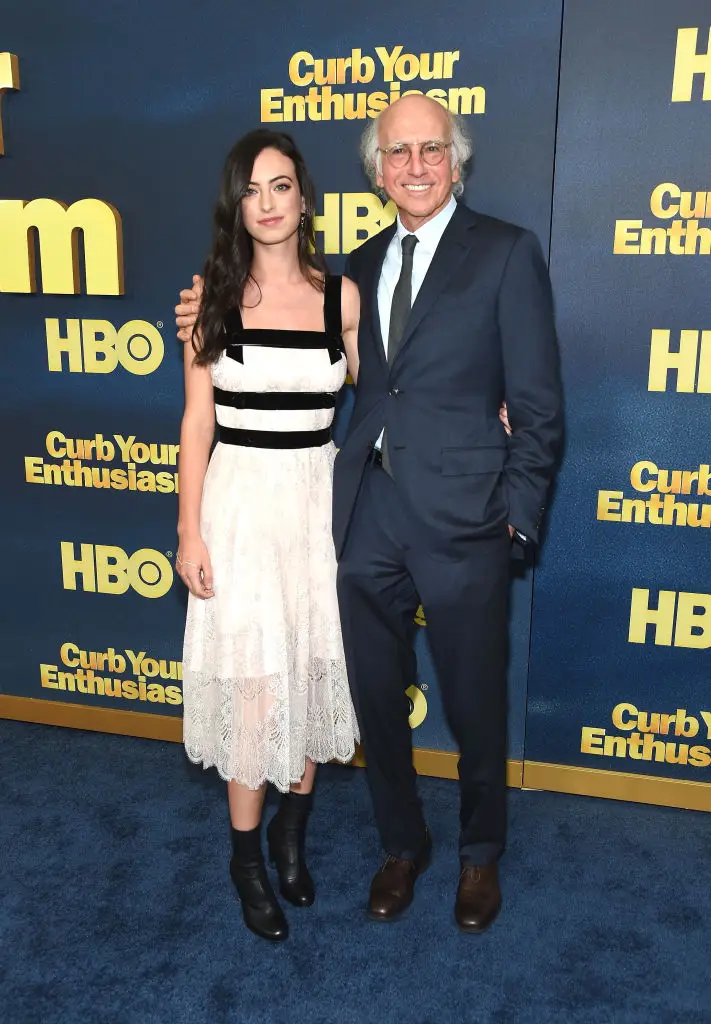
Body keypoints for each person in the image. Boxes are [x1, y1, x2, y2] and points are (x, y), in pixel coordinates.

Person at [176, 96, 562, 934]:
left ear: (455, 160)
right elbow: (356, 377)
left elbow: (536, 404)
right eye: (397, 153)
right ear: (376, 170)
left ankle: (478, 856)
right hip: (361, 521)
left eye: (430, 150)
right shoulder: (353, 270)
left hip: (468, 521)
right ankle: (402, 845)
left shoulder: (505, 252)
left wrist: (516, 519)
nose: (415, 166)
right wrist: (201, 314)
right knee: (373, 699)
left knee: (472, 700)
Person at [175, 128, 360, 943]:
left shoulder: (340, 299)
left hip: (316, 506)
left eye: (280, 186)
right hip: (241, 510)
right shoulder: (208, 301)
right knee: (255, 685)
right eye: (251, 192)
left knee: (309, 669)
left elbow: (399, 387)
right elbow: (194, 427)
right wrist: (189, 533)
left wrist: (485, 405)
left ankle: (292, 833)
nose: (268, 204)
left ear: (304, 196)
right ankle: (246, 858)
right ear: (236, 208)